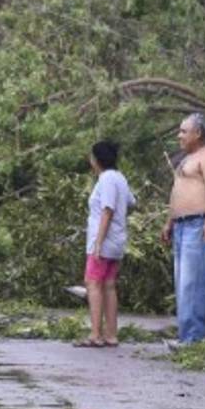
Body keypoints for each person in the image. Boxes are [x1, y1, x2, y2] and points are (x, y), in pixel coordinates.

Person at [159, 112, 205, 346]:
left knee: (193, 283)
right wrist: (169, 222)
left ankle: (195, 339)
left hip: (199, 225)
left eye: (184, 131)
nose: (179, 136)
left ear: (198, 133)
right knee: (182, 284)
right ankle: (187, 336)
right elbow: (177, 191)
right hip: (181, 226)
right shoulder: (188, 158)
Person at [75, 140, 135, 348]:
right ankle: (111, 334)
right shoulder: (120, 178)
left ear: (97, 159)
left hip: (104, 242)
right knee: (108, 285)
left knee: (93, 283)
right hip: (117, 240)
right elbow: (131, 202)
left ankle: (96, 334)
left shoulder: (107, 178)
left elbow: (107, 210)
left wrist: (98, 243)